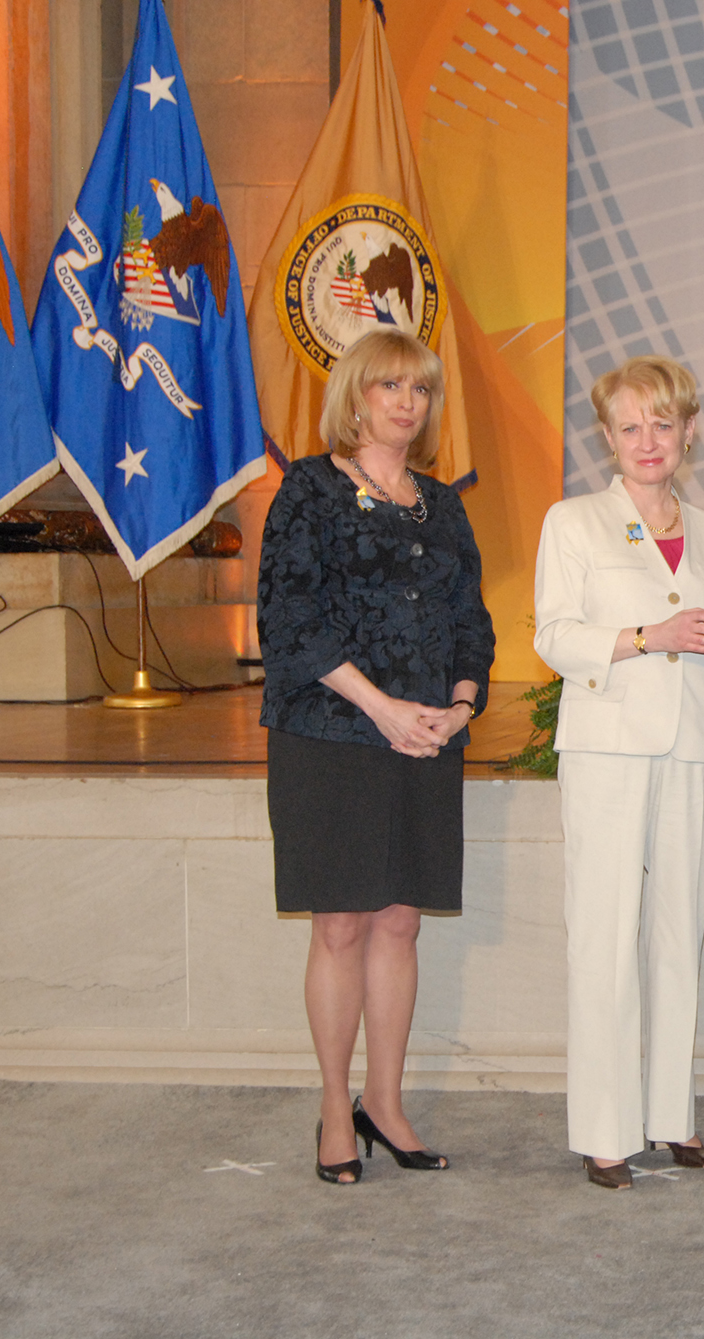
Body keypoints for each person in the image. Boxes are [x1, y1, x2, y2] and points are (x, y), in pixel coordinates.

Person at [258, 329, 495, 1185]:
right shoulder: (308, 489)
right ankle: (333, 1104)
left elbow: (473, 623)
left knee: (401, 919)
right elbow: (291, 622)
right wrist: (383, 706)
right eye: (390, 385)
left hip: (429, 737)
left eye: (421, 389)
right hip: (332, 732)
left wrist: (459, 708)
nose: (407, 401)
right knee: (342, 922)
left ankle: (385, 1102)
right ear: (356, 397)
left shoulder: (444, 504)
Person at [533, 357, 704, 1190]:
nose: (648, 440)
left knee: (680, 931)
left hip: (693, 744)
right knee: (606, 935)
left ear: (688, 430)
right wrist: (649, 636)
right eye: (629, 426)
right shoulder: (573, 522)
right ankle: (606, 1130)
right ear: (606, 437)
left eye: (663, 423)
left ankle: (671, 1116)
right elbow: (554, 636)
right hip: (608, 744)